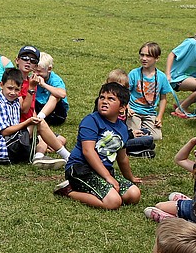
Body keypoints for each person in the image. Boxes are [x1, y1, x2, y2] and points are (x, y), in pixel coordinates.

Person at [54, 82, 142, 210]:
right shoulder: (91, 121)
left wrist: (130, 178)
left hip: (104, 171)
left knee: (133, 195)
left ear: (122, 107)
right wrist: (108, 178)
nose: (104, 101)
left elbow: (122, 158)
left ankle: (102, 188)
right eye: (102, 97)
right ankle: (68, 191)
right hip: (81, 170)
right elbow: (88, 151)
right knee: (113, 202)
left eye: (111, 99)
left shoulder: (123, 128)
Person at [0, 68, 68, 168]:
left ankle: (39, 156)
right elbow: (4, 131)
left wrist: (31, 87)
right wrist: (27, 123)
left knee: (58, 138)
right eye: (10, 88)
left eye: (17, 89)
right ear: (1, 85)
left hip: (10, 143)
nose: (13, 92)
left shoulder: (15, 101)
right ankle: (67, 157)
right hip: (2, 149)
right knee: (39, 124)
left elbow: (25, 109)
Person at [127, 42, 173, 140]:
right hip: (134, 111)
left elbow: (163, 99)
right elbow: (126, 92)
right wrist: (127, 107)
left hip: (150, 113)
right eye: (142, 55)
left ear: (157, 58)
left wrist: (159, 117)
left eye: (148, 56)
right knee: (134, 134)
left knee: (157, 137)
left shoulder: (161, 77)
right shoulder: (134, 74)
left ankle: (143, 127)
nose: (144, 58)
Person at [33, 53, 70, 127]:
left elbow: (62, 94)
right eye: (34, 71)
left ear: (49, 69)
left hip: (56, 114)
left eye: (39, 71)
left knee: (55, 96)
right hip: (38, 107)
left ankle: (39, 117)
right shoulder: (33, 77)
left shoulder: (54, 79)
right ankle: (34, 118)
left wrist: (44, 85)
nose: (36, 74)